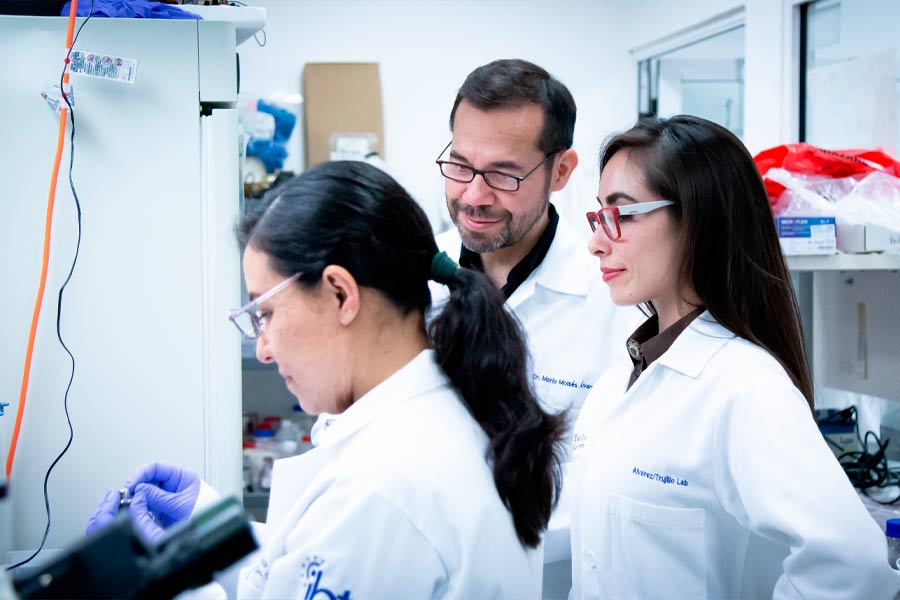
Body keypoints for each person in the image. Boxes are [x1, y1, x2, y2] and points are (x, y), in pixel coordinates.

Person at [86, 160, 564, 598]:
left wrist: (165, 583)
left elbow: (345, 549)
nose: (264, 348)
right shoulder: (442, 415)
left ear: (339, 294)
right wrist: (211, 535)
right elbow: (318, 567)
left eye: (266, 312)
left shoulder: (384, 487)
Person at [569, 115, 900, 598]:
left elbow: (853, 571)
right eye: (599, 216)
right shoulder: (617, 384)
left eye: (623, 214)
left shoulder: (746, 388)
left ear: (699, 219)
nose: (597, 242)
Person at [433, 58, 638, 424]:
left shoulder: (615, 304)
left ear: (560, 171)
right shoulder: (410, 275)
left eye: (503, 173)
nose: (474, 195)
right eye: (460, 166)